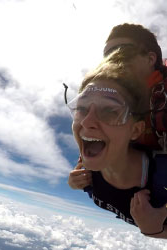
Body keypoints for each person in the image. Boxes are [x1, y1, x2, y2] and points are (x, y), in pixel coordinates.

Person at [67, 48, 167, 238]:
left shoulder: (162, 178)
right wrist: (75, 182)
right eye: (81, 108)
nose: (87, 122)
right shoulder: (88, 173)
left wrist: (154, 231)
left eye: (110, 111)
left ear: (136, 130)